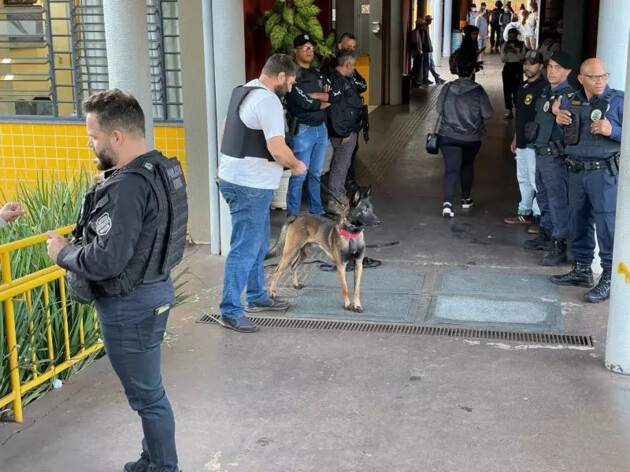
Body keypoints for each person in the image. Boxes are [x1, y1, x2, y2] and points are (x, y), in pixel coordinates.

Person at [46, 89, 188, 472]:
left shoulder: (127, 187)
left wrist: (62, 253)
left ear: (117, 137)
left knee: (147, 397)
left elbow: (106, 259)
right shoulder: (156, 167)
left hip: (130, 306)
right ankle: (154, 458)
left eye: (94, 136)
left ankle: (163, 467)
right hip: (152, 291)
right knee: (148, 392)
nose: (90, 144)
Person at [218, 54, 307, 332]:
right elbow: (278, 149)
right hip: (250, 186)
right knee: (244, 248)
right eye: (290, 82)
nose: (291, 88)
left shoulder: (243, 91)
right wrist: (297, 165)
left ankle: (256, 296)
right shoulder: (268, 100)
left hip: (238, 179)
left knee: (256, 243)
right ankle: (230, 310)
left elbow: (225, 131)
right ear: (280, 77)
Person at [550, 58, 624, 303]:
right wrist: (559, 121)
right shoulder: (571, 101)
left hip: (603, 174)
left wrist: (611, 131)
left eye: (603, 76)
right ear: (581, 79)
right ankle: (582, 269)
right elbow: (570, 135)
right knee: (578, 220)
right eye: (593, 77)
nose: (600, 81)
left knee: (606, 225)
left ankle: (610, 276)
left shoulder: (619, 101)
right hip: (576, 171)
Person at [523, 50, 574, 266]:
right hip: (541, 152)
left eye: (558, 68)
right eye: (550, 66)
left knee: (557, 200)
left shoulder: (570, 97)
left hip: (556, 157)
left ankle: (559, 244)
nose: (552, 71)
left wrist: (557, 113)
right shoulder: (545, 92)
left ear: (568, 72)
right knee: (542, 196)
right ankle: (546, 233)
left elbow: (572, 129)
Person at [437, 56, 493, 217]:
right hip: (471, 138)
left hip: (448, 135)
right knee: (467, 165)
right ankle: (466, 199)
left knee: (451, 169)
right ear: (473, 71)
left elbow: (439, 109)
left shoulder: (447, 88)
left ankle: (447, 204)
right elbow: (488, 114)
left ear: (457, 70)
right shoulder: (478, 90)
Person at [285, 34, 331, 219]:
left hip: (321, 128)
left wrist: (315, 96)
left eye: (312, 48)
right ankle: (292, 216)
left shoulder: (318, 73)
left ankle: (317, 211)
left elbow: (332, 96)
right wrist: (321, 97)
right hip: (303, 129)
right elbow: (301, 102)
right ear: (296, 50)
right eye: (305, 48)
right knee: (299, 174)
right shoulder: (292, 76)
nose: (310, 51)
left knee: (316, 174)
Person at [503, 50, 547, 233]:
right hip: (521, 140)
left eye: (532, 63)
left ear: (541, 66)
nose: (527, 67)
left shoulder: (544, 88)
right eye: (525, 63)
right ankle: (524, 211)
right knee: (523, 179)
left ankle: (539, 217)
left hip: (534, 142)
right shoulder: (522, 86)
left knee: (536, 180)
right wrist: (515, 137)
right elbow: (521, 115)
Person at [325, 48, 364, 216]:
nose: (354, 68)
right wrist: (344, 131)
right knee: (340, 166)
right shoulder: (335, 81)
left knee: (344, 164)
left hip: (348, 130)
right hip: (343, 132)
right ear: (347, 64)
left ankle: (339, 195)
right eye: (354, 65)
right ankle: (335, 199)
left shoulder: (341, 79)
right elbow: (337, 110)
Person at [500, 28, 526, 119]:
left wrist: (515, 51)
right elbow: (503, 59)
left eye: (512, 34)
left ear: (516, 35)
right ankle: (509, 110)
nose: (511, 36)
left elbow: (522, 58)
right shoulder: (504, 44)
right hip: (507, 67)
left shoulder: (521, 44)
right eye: (509, 34)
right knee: (507, 90)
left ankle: (519, 111)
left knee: (517, 90)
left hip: (517, 68)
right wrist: (506, 52)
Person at [420, 15, 446, 85]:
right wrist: (426, 46)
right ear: (426, 20)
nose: (431, 21)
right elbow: (423, 40)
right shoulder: (424, 28)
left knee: (431, 65)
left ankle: (436, 77)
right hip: (426, 49)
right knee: (427, 64)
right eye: (429, 20)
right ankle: (425, 78)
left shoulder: (427, 28)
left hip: (428, 49)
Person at [409, 19, 425, 87]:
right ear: (419, 25)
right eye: (422, 24)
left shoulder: (418, 32)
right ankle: (413, 81)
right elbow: (415, 44)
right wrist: (419, 52)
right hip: (417, 53)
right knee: (416, 67)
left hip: (419, 52)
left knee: (417, 68)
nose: (423, 26)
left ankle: (415, 81)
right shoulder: (415, 32)